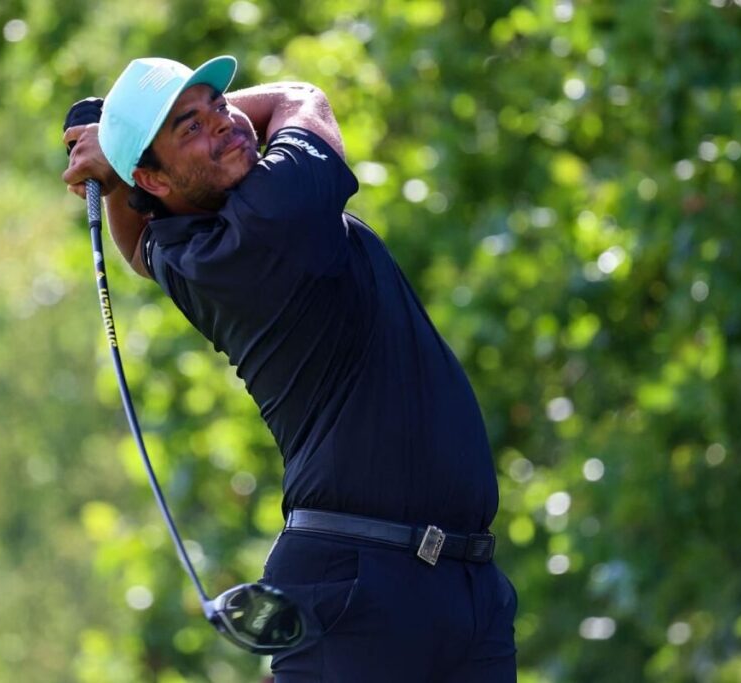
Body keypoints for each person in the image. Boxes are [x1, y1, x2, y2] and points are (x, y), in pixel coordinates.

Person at [62, 55, 517, 682]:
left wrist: (119, 171)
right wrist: (118, 156)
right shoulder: (273, 214)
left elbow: (139, 247)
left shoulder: (188, 251)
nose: (223, 125)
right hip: (358, 587)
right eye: (190, 128)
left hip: (464, 586)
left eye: (219, 106)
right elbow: (301, 98)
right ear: (155, 179)